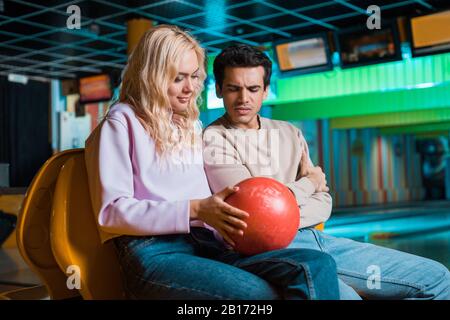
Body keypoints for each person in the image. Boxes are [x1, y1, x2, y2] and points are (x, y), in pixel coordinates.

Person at [84, 25, 340, 300]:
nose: (190, 88)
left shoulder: (189, 125)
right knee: (258, 295)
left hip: (208, 245)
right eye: (177, 78)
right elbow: (111, 212)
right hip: (155, 252)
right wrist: (195, 210)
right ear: (152, 77)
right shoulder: (121, 122)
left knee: (316, 265)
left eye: (194, 76)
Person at [202, 44, 450, 300]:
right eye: (233, 88)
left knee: (438, 278)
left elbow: (324, 202)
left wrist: (283, 210)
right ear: (219, 89)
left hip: (314, 236)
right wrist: (309, 184)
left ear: (266, 91)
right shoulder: (215, 139)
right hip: (271, 252)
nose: (244, 99)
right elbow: (254, 218)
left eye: (253, 89)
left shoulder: (289, 132)